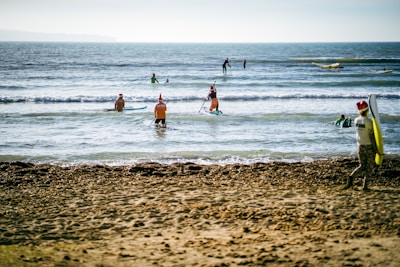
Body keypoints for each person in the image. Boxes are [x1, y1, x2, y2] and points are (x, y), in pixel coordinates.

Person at [343, 100, 377, 191]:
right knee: (369, 167)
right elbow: (371, 136)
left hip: (360, 146)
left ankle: (351, 177)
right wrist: (376, 149)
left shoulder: (356, 120)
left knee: (362, 165)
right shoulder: (369, 122)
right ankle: (365, 186)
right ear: (367, 110)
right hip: (368, 146)